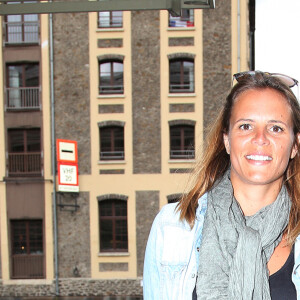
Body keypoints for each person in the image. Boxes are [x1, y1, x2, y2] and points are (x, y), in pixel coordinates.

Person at [143, 71, 300, 300]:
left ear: (295, 145)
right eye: (246, 126)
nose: (260, 138)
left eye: (276, 128)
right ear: (227, 140)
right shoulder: (172, 228)